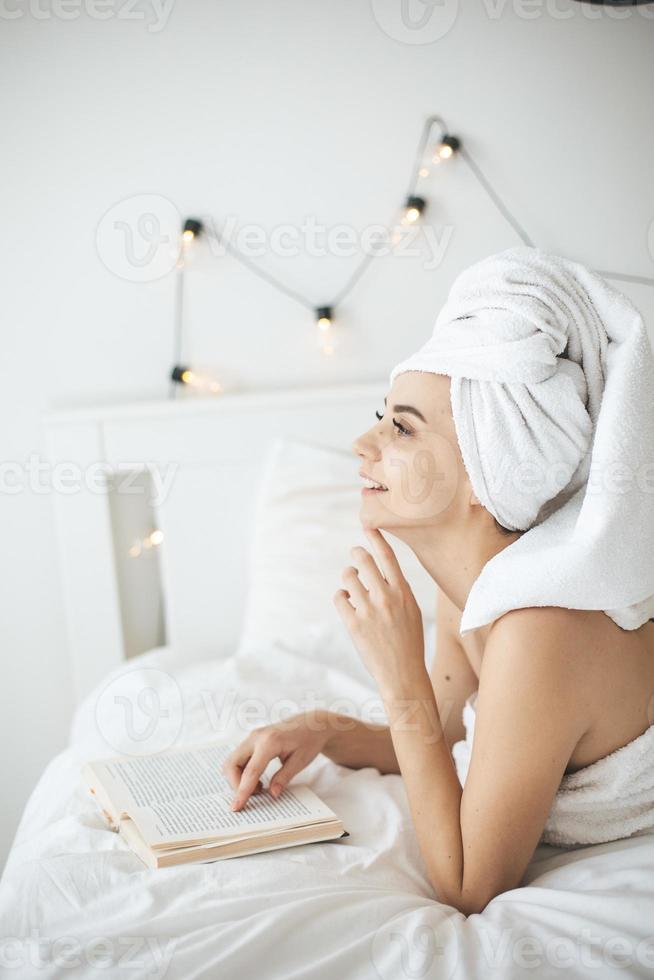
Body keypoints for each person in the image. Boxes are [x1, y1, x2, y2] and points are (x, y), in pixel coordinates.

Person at [223, 247, 654, 914]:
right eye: (382, 416)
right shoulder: (474, 597)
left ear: (488, 477)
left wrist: (400, 673)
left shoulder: (542, 628)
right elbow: (450, 741)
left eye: (401, 428)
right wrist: (323, 731)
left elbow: (467, 885)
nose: (363, 445)